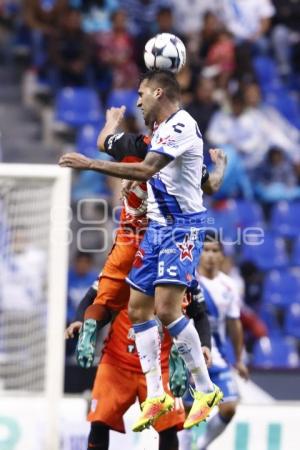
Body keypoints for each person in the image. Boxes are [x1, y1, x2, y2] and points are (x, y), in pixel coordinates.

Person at [59, 70, 227, 431]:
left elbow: (147, 170)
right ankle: (156, 395)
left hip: (181, 229)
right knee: (138, 309)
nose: (138, 101)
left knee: (166, 311)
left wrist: (89, 164)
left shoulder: (181, 126)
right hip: (157, 228)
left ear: (158, 91)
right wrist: (219, 171)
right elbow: (207, 184)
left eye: (141, 93)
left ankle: (205, 389)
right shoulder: (160, 133)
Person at [66, 306, 186, 450]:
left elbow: (198, 313)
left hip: (160, 368)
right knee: (99, 422)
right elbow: (95, 298)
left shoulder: (180, 284)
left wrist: (204, 345)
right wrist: (83, 320)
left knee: (169, 428)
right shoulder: (120, 283)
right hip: (117, 364)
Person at [180, 231, 249, 450]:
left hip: (217, 356)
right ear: (199, 254)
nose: (210, 255)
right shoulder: (187, 281)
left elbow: (234, 323)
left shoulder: (229, 286)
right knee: (187, 413)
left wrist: (238, 359)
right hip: (189, 357)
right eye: (206, 250)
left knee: (229, 407)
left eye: (215, 251)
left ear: (221, 256)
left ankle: (202, 445)